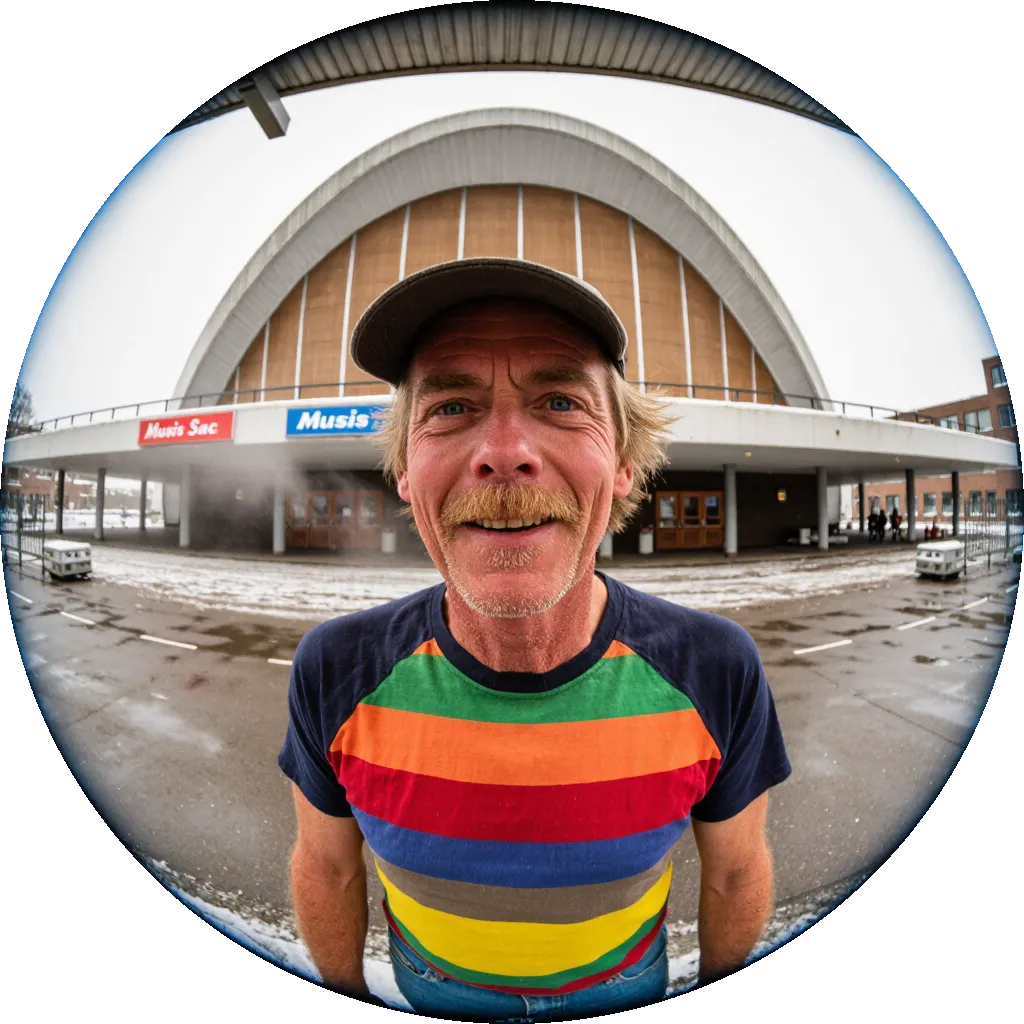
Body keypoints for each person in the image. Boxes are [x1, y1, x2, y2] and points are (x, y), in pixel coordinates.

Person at [277, 258, 791, 1018]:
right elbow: (326, 869)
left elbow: (736, 874)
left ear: (623, 464)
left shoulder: (716, 668)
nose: (505, 450)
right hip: (431, 993)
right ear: (405, 472)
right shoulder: (334, 668)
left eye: (560, 401)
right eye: (451, 406)